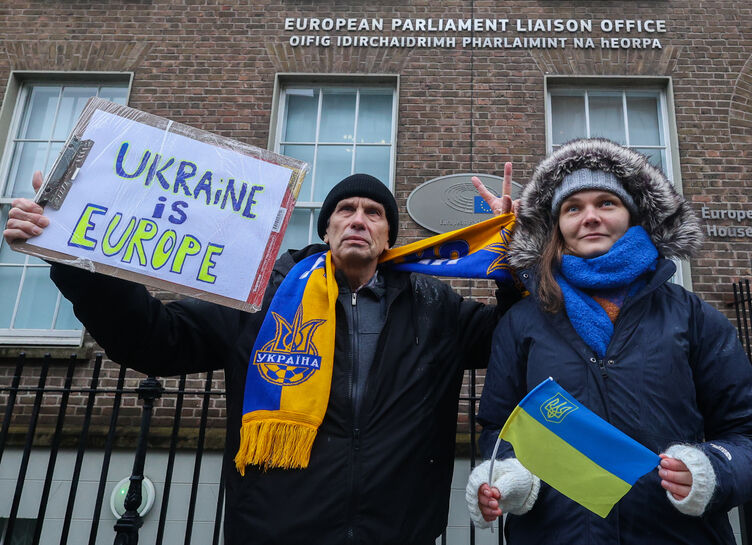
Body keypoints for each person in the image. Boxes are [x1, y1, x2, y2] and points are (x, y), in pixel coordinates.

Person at [4, 171, 519, 545]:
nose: (358, 219)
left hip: (399, 532)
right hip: (277, 531)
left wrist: (517, 256)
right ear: (326, 231)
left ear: (388, 238)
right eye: (346, 210)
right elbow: (155, 340)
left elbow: (514, 341)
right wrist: (76, 260)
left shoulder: (437, 310)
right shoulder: (263, 300)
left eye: (374, 213)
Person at [465, 138, 752, 544]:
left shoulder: (694, 317)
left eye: (606, 204)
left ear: (633, 216)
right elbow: (500, 429)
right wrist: (511, 477)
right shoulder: (522, 323)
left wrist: (710, 470)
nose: (590, 217)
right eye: (573, 208)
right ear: (556, 225)